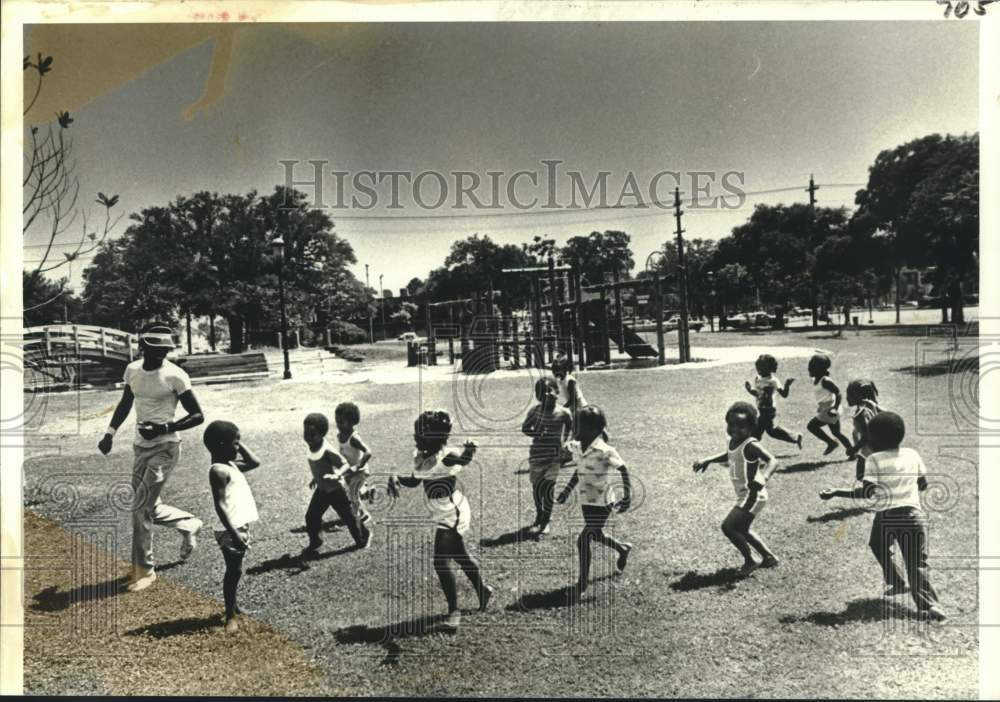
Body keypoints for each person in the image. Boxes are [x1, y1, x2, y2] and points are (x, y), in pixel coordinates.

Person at [97, 323, 204, 592]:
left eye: (165, 352)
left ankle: (145, 570)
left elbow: (197, 415)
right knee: (147, 505)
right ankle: (188, 523)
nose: (160, 356)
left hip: (166, 448)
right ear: (142, 348)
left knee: (140, 508)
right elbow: (125, 403)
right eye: (155, 351)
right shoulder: (132, 370)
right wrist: (110, 433)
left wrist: (166, 428)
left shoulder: (175, 375)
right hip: (140, 446)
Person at [820, 412, 946, 621]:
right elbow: (923, 484)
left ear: (873, 439)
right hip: (914, 515)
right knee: (916, 562)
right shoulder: (912, 454)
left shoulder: (873, 459)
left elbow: (867, 493)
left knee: (878, 545)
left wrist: (836, 492)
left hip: (887, 516)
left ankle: (896, 581)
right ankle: (930, 605)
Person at [387, 410, 494, 631]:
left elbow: (464, 459)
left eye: (421, 434)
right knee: (460, 556)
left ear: (436, 437)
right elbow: (416, 481)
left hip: (452, 511)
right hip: (441, 513)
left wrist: (470, 450)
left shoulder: (446, 456)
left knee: (440, 561)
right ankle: (483, 590)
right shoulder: (421, 456)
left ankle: (454, 612)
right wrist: (397, 479)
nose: (416, 437)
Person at [693, 401, 780, 574]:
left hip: (753, 493)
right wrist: (708, 459)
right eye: (731, 425)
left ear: (751, 427)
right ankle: (769, 557)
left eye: (741, 426)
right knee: (743, 529)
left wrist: (764, 476)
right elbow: (729, 454)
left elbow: (773, 460)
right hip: (744, 494)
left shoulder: (751, 444)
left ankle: (750, 561)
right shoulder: (733, 441)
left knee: (729, 527)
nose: (735, 429)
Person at [556, 405, 633, 595]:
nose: (574, 429)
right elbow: (579, 469)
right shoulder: (578, 447)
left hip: (602, 503)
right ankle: (623, 549)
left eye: (578, 426)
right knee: (596, 535)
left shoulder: (604, 450)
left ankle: (582, 583)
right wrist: (567, 490)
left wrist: (627, 495)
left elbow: (623, 468)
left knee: (583, 540)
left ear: (593, 430)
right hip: (586, 501)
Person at [205, 420, 261, 633]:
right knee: (234, 571)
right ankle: (230, 616)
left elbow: (255, 462)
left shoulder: (231, 464)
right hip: (229, 529)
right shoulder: (218, 471)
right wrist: (234, 533)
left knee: (236, 568)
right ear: (221, 445)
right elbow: (219, 505)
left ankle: (233, 606)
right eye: (235, 444)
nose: (238, 448)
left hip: (238, 525)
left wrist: (238, 442)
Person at [303, 413, 371, 553]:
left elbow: (344, 464)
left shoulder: (327, 449)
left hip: (335, 490)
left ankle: (363, 536)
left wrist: (337, 474)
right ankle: (316, 541)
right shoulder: (311, 445)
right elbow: (318, 465)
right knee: (311, 516)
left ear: (322, 434)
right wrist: (315, 478)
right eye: (306, 433)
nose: (308, 437)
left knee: (348, 517)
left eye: (312, 434)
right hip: (322, 490)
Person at [521, 378, 573, 536]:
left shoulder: (564, 412)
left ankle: (546, 521)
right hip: (537, 456)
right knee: (537, 488)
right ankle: (539, 515)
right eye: (542, 394)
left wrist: (567, 443)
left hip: (554, 457)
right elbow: (525, 428)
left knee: (549, 488)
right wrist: (536, 433)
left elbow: (570, 429)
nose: (548, 396)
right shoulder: (535, 412)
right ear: (538, 396)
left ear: (557, 392)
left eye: (551, 392)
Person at [744, 353, 802, 448]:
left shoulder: (773, 381)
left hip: (769, 410)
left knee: (757, 431)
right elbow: (757, 394)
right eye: (757, 368)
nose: (759, 370)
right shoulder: (757, 379)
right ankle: (796, 437)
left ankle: (751, 449)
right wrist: (749, 389)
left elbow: (784, 394)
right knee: (772, 431)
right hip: (761, 409)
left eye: (761, 368)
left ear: (770, 368)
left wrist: (787, 385)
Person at [805, 353, 853, 456]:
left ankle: (831, 443)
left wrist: (834, 408)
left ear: (820, 369)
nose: (809, 369)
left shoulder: (825, 381)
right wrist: (821, 406)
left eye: (812, 367)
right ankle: (852, 451)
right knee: (837, 433)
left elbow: (838, 393)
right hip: (825, 408)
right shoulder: (816, 379)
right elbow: (824, 395)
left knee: (811, 426)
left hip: (830, 409)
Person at [335, 402, 374, 526]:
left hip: (359, 471)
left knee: (352, 494)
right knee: (349, 492)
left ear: (352, 422)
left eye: (342, 422)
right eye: (337, 421)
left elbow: (368, 452)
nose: (339, 425)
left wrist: (358, 465)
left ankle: (361, 515)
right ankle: (367, 492)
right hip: (349, 471)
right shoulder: (340, 435)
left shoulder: (353, 438)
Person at [845, 379, 882, 482]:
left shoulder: (862, 412)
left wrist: (854, 449)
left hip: (869, 449)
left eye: (849, 394)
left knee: (861, 476)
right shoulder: (871, 406)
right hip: (878, 446)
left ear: (857, 395)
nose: (847, 398)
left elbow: (866, 435)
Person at [552, 355, 587, 419]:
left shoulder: (569, 380)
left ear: (565, 369)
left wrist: (562, 408)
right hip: (573, 409)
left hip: (581, 409)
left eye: (559, 370)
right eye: (555, 370)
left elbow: (573, 399)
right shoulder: (561, 380)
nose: (557, 373)